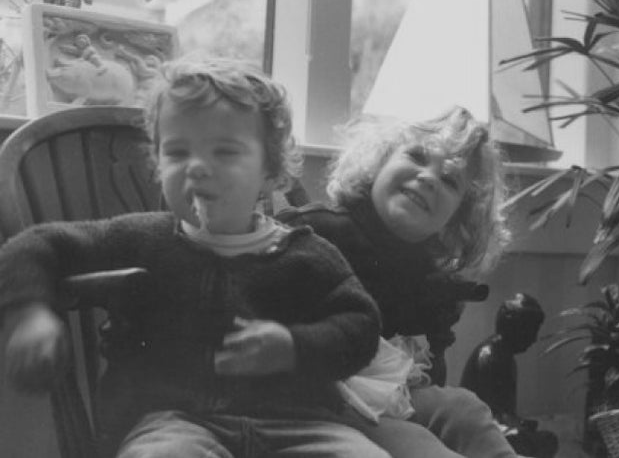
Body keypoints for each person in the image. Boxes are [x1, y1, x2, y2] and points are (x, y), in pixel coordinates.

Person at [0, 58, 388, 457]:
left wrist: (295, 346)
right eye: (178, 152)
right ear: (157, 164)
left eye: (225, 152)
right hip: (175, 423)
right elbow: (37, 244)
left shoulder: (307, 255)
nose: (198, 167)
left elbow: (360, 327)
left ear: (271, 173)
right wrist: (29, 313)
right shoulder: (142, 237)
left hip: (303, 424)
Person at [277, 107, 518, 458]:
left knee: (466, 408)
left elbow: (430, 373)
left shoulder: (438, 283)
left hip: (395, 394)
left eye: (450, 180)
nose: (428, 178)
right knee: (420, 445)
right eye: (417, 156)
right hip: (323, 392)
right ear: (377, 162)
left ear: (459, 217)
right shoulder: (317, 231)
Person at [462, 293, 558, 458]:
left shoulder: (503, 355)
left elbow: (504, 410)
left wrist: (519, 423)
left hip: (494, 427)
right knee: (540, 442)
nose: (534, 339)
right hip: (478, 431)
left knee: (547, 440)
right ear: (516, 328)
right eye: (530, 331)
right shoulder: (490, 357)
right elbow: (489, 415)